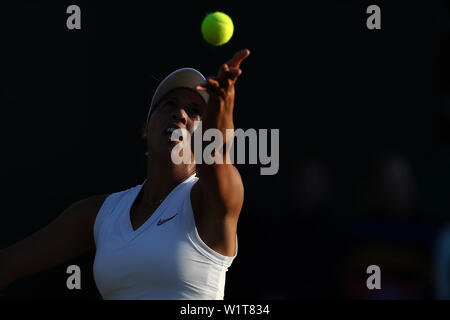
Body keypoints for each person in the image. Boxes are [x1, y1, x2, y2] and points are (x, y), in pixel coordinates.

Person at [0, 49, 250, 300]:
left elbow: (215, 158)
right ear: (146, 129)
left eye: (195, 111)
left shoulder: (210, 200)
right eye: (170, 105)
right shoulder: (100, 213)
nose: (180, 114)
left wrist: (222, 105)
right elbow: (8, 264)